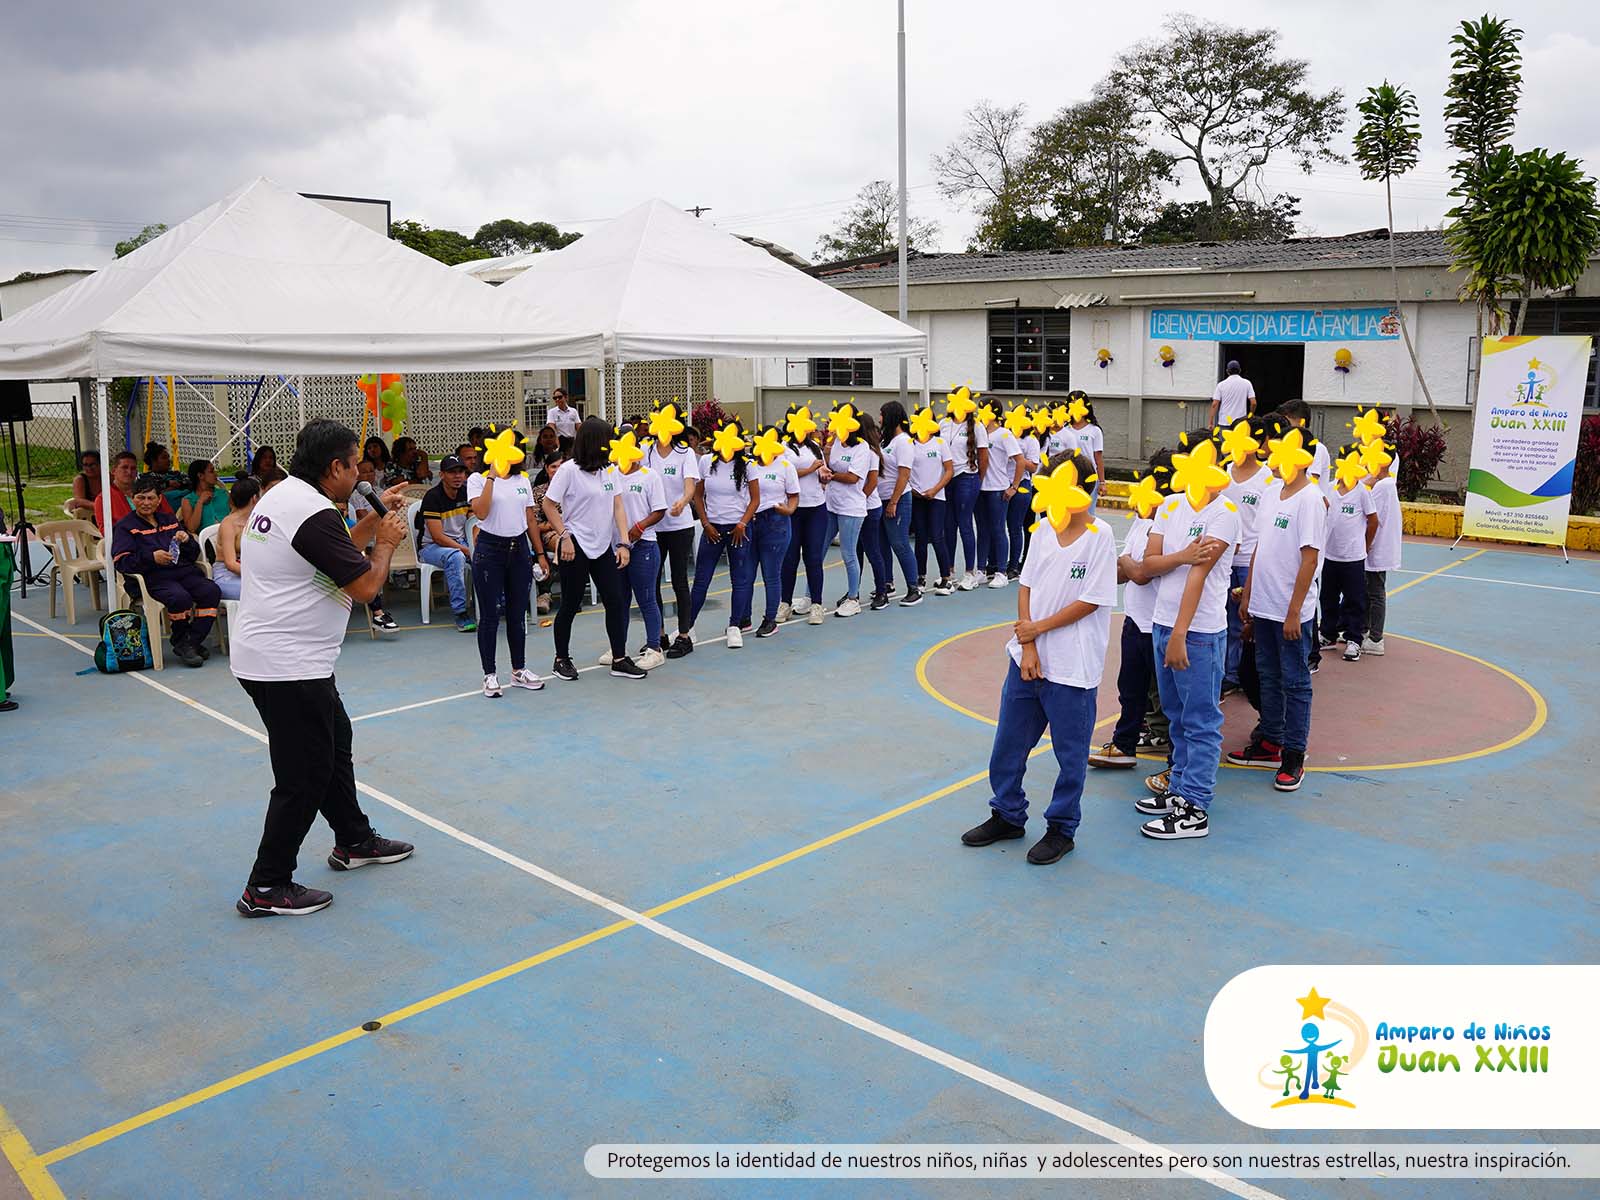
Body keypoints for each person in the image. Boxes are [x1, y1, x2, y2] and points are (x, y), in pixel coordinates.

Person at [230, 420, 415, 917]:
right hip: (285, 664)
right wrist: (387, 542)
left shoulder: (287, 495)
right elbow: (365, 588)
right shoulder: (311, 511)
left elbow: (327, 550)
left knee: (335, 742)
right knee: (303, 774)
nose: (360, 474)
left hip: (286, 658)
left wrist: (371, 525)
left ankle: (353, 839)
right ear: (334, 467)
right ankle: (266, 885)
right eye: (354, 465)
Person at [959, 453, 1116, 866]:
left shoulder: (1100, 535)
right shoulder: (1045, 528)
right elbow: (1026, 584)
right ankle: (1007, 813)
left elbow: (1090, 601)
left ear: (1085, 487)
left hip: (1072, 666)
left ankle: (1062, 828)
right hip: (1028, 659)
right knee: (1009, 742)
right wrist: (1028, 643)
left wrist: (1038, 630)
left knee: (1070, 753)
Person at [1136, 447, 1240, 841]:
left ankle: (1194, 806)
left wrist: (1181, 632)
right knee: (1177, 715)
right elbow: (1149, 565)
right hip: (1163, 624)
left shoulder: (1224, 513)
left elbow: (1200, 574)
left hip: (1198, 632)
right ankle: (1177, 786)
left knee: (1200, 720)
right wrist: (1181, 554)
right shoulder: (1170, 506)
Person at [1088, 457, 1213, 770]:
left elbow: (1142, 572)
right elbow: (1122, 571)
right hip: (1135, 619)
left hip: (1159, 623)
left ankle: (1176, 761)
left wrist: (1131, 564)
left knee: (1170, 700)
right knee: (1129, 690)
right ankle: (1123, 744)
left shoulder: (1173, 527)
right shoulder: (1141, 522)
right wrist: (1131, 565)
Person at [1232, 428, 1326, 792]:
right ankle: (1271, 740)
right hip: (1264, 605)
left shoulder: (1310, 499)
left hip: (1290, 611)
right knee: (1267, 673)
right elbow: (1260, 547)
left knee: (1295, 681)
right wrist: (1249, 596)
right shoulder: (1272, 492)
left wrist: (1294, 611)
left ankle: (1294, 754)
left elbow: (1310, 558)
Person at [543, 416, 646, 680]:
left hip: (603, 546)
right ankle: (561, 659)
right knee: (570, 603)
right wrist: (564, 535)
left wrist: (623, 542)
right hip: (574, 544)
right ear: (593, 443)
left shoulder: (609, 470)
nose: (611, 444)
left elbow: (618, 507)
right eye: (606, 440)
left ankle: (619, 658)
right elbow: (548, 504)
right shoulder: (568, 471)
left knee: (615, 600)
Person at [467, 426, 552, 696]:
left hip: (519, 550)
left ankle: (519, 670)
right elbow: (480, 512)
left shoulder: (522, 481)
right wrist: (492, 475)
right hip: (490, 549)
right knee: (490, 615)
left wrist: (539, 554)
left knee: (518, 614)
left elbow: (529, 519)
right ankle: (489, 674)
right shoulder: (478, 480)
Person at [112, 473, 221, 668]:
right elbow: (121, 562)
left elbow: (192, 554)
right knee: (180, 598)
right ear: (133, 499)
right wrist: (151, 557)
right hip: (153, 578)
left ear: (159, 499)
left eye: (151, 498)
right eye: (141, 498)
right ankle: (188, 643)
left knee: (211, 591)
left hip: (183, 572)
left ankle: (189, 642)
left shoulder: (169, 519)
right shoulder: (125, 527)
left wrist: (187, 541)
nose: (146, 503)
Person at [679, 420, 760, 653]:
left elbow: (755, 499)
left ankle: (734, 625)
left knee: (740, 578)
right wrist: (705, 522)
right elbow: (697, 494)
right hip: (713, 529)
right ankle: (688, 626)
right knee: (702, 579)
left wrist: (743, 523)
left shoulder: (747, 465)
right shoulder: (706, 462)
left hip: (739, 529)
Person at [1220, 421, 1275, 693]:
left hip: (1248, 563)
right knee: (1223, 621)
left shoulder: (1268, 479)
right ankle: (1228, 673)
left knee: (1246, 622)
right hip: (1221, 561)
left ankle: (1245, 675)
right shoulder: (1222, 473)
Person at [604, 440, 669, 668]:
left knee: (646, 598)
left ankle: (654, 648)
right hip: (616, 547)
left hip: (643, 546)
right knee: (619, 599)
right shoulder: (610, 474)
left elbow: (659, 510)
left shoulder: (649, 476)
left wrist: (639, 528)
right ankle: (618, 647)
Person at [645, 418, 703, 652]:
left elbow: (690, 486)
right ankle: (658, 636)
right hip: (653, 527)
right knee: (652, 582)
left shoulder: (684, 453)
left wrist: (683, 502)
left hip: (679, 525)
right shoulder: (645, 451)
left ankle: (684, 635)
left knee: (679, 580)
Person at [1320, 445, 1377, 663]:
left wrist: (1365, 545)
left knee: (1354, 599)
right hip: (1330, 554)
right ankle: (1328, 633)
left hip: (1353, 557)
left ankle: (1354, 639)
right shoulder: (1331, 488)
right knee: (1328, 596)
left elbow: (1373, 521)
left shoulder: (1362, 491)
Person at [822, 408, 877, 619]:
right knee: (817, 551)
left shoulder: (862, 448)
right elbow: (829, 462)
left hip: (851, 508)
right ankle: (812, 597)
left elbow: (854, 477)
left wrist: (832, 476)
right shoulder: (836, 442)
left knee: (848, 554)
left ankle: (853, 598)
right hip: (831, 504)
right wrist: (828, 444)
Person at [777, 412, 829, 624]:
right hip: (793, 509)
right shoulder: (783, 448)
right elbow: (788, 475)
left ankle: (816, 604)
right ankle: (785, 603)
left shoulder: (814, 447)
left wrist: (824, 474)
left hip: (816, 507)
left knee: (814, 558)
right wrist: (811, 469)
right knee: (789, 559)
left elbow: (822, 471)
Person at [748, 426, 799, 636]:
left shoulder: (785, 466)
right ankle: (743, 617)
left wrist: (788, 510)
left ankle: (770, 619)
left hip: (775, 519)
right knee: (747, 572)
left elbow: (794, 495)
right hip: (752, 521)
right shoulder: (750, 465)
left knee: (771, 573)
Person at [417, 455, 477, 633]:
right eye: (452, 472)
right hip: (431, 548)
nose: (458, 476)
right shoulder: (432, 497)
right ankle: (460, 612)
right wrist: (466, 550)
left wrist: (474, 546)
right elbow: (438, 537)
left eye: (461, 472)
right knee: (456, 557)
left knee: (486, 553)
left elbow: (473, 524)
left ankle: (497, 603)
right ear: (442, 475)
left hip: (461, 541)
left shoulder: (467, 492)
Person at [941, 394, 988, 591]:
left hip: (967, 477)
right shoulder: (943, 424)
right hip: (947, 478)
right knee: (948, 525)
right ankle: (949, 570)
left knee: (965, 524)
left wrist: (979, 478)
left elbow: (984, 456)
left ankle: (970, 572)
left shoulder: (976, 426)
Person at [907, 407, 955, 599]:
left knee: (937, 536)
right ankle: (921, 577)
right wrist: (913, 490)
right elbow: (904, 470)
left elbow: (949, 470)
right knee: (920, 538)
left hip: (937, 497)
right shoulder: (910, 444)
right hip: (917, 497)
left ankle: (946, 577)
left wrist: (935, 489)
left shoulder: (940, 443)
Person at [976, 403, 1025, 587]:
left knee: (998, 529)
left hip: (997, 488)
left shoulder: (1004, 434)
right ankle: (980, 569)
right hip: (980, 488)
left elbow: (1020, 461)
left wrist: (1014, 486)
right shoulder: (978, 433)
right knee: (982, 530)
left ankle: (1002, 572)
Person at [347, 460, 398, 631]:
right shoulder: (353, 496)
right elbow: (362, 516)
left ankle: (378, 614)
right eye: (363, 471)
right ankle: (378, 613)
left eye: (371, 471)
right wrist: (386, 542)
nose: (368, 475)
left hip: (369, 532)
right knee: (363, 564)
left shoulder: (378, 493)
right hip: (364, 535)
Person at [876, 401, 919, 601]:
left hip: (898, 499)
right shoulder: (887, 441)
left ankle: (913, 588)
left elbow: (904, 474)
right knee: (882, 543)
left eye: (882, 415)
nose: (879, 419)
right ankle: (887, 583)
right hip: (882, 498)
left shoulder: (904, 441)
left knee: (900, 543)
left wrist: (893, 502)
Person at [1362, 441, 1401, 656]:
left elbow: (1371, 519)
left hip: (1377, 548)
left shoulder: (1382, 487)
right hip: (1378, 546)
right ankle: (1366, 629)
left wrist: (1366, 545)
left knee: (1375, 592)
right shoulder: (1385, 484)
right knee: (1370, 590)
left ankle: (1376, 637)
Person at [855, 415, 891, 610]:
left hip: (868, 508)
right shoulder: (856, 450)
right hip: (855, 508)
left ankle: (881, 590)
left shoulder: (870, 453)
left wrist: (858, 500)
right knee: (855, 551)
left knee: (872, 550)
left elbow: (872, 482)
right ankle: (854, 591)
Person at [210, 476, 261, 601]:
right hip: (226, 576)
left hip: (246, 571)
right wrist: (258, 576)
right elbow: (230, 563)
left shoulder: (255, 520)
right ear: (254, 499)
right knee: (262, 593)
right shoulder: (229, 524)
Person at [1005, 411, 1042, 580]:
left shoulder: (1030, 440)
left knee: (1016, 527)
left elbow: (1033, 466)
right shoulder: (1004, 435)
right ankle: (995, 564)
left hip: (1021, 486)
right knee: (997, 527)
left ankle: (1013, 566)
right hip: (1000, 483)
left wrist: (1016, 456)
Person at [95, 450, 170, 531]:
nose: (129, 472)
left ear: (137, 472)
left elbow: (170, 517)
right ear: (113, 471)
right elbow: (106, 532)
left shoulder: (152, 492)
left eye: (133, 468)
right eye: (124, 467)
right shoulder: (103, 499)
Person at [178, 459, 231, 534]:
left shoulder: (224, 494)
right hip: (206, 540)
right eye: (211, 471)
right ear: (200, 476)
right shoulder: (188, 500)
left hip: (230, 534)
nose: (216, 474)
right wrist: (200, 502)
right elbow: (191, 528)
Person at [1209, 360, 1256, 426]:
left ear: (1227, 371)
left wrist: (1210, 422)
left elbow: (1214, 404)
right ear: (1239, 370)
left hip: (1224, 422)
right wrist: (1251, 415)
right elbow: (1253, 403)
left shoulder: (1221, 385)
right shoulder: (1247, 383)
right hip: (1240, 423)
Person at [68, 450, 101, 519]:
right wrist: (100, 507)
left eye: (92, 464)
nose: (89, 468)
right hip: (88, 518)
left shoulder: (109, 477)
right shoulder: (80, 480)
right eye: (85, 465)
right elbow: (79, 501)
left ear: (100, 464)